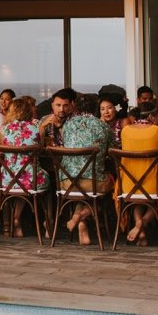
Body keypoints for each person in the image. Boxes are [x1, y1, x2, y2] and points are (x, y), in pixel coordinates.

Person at [58, 103, 112, 246]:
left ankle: (79, 221)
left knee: (81, 191)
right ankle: (79, 217)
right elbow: (112, 151)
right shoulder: (104, 126)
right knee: (110, 192)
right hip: (93, 183)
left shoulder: (67, 125)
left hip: (67, 183)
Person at [118, 120, 158, 245]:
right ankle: (143, 222)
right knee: (157, 196)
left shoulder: (125, 131)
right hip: (153, 187)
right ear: (152, 117)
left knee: (137, 199)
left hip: (129, 186)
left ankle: (139, 224)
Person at [0, 97, 41, 237]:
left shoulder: (4, 129)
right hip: (31, 178)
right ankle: (46, 224)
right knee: (43, 181)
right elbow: (41, 148)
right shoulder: (36, 128)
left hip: (7, 178)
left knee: (18, 181)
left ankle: (12, 222)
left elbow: (2, 150)